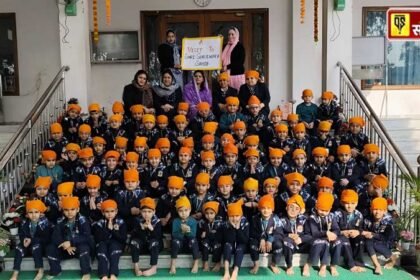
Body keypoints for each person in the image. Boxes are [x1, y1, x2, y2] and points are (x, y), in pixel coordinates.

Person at [10, 200, 51, 280]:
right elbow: (21, 234)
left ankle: (40, 270)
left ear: (41, 214)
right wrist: (24, 239)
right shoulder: (24, 222)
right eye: (30, 212)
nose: (33, 215)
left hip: (39, 247)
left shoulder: (45, 223)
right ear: (27, 215)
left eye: (36, 212)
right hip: (27, 245)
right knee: (19, 248)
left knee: (36, 246)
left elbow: (46, 239)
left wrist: (31, 240)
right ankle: (15, 272)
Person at [93, 199, 127, 280]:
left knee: (114, 250)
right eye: (107, 212)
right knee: (101, 250)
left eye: (112, 211)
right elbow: (98, 239)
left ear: (116, 211)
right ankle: (103, 274)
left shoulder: (121, 222)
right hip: (103, 243)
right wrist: (107, 229)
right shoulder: (99, 223)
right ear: (103, 212)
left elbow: (123, 239)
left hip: (116, 243)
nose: (110, 214)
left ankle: (113, 274)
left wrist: (112, 230)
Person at [221, 27, 245, 91]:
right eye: (229, 34)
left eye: (232, 34)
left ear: (236, 35)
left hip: (237, 76)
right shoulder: (226, 46)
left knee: (238, 96)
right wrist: (219, 40)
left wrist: (227, 66)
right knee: (229, 96)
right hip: (227, 76)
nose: (230, 36)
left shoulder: (239, 46)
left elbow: (240, 62)